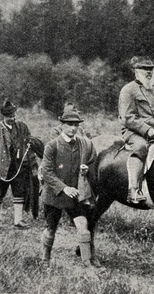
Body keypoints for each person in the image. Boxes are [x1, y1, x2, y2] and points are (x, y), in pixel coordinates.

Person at [38, 105, 98, 267]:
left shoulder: (83, 144)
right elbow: (48, 173)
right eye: (69, 124)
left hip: (75, 196)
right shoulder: (52, 146)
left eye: (76, 125)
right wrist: (64, 188)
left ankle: (87, 262)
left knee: (83, 228)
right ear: (62, 125)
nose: (73, 128)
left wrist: (86, 169)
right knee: (51, 229)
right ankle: (45, 259)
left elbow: (92, 162)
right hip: (54, 196)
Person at [118, 56, 154, 204]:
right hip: (134, 132)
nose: (148, 72)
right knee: (141, 146)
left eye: (151, 69)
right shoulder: (128, 90)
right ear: (136, 71)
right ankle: (134, 190)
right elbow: (127, 118)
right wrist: (147, 130)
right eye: (144, 69)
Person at [0, 99, 32, 229]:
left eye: (14, 115)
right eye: (10, 116)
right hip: (2, 168)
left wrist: (29, 143)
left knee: (19, 192)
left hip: (17, 167)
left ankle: (18, 220)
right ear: (4, 116)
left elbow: (29, 138)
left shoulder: (21, 127)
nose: (13, 118)